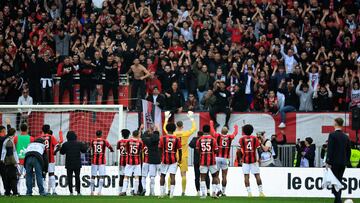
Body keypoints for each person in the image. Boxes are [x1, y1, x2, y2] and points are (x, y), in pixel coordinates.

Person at [163, 110, 196, 196]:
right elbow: (194, 129)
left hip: (173, 156)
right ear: (182, 126)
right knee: (183, 174)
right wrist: (192, 119)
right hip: (183, 156)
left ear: (176, 126)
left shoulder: (173, 134)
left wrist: (166, 119)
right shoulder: (185, 133)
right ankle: (183, 192)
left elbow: (165, 128)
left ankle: (169, 190)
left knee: (171, 174)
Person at [209, 120, 238, 196]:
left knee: (216, 175)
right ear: (227, 132)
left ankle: (215, 191)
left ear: (221, 131)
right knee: (224, 176)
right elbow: (235, 133)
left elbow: (212, 131)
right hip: (225, 159)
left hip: (217, 157)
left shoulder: (218, 135)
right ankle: (223, 192)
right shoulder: (230, 137)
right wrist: (236, 128)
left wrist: (211, 124)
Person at [326, 118, 351, 203]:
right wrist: (347, 161)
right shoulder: (346, 136)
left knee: (334, 182)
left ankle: (339, 200)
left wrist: (328, 161)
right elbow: (348, 151)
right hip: (343, 163)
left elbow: (330, 150)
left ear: (336, 123)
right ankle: (337, 200)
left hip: (334, 162)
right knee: (339, 181)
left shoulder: (332, 135)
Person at [238, 124, 265, 197]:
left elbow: (239, 150)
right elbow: (259, 149)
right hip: (254, 160)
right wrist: (259, 158)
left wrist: (240, 158)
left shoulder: (241, 139)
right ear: (252, 130)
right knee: (257, 176)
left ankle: (249, 193)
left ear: (244, 131)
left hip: (245, 160)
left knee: (246, 176)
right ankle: (261, 192)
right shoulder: (255, 138)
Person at [196, 124, 220, 199]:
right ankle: (213, 192)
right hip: (212, 161)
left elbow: (197, 150)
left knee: (202, 177)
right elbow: (216, 150)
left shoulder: (199, 139)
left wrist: (202, 154)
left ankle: (203, 194)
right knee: (215, 176)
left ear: (203, 130)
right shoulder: (213, 139)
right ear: (209, 130)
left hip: (203, 161)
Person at [60, 131, 88, 195]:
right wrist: (85, 145)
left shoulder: (65, 144)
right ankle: (78, 192)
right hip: (77, 163)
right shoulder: (79, 143)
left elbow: (62, 152)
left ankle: (71, 192)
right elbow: (84, 150)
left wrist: (60, 147)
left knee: (69, 178)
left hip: (69, 163)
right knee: (77, 177)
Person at [158, 123, 182, 199]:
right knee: (172, 176)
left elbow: (160, 148)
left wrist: (161, 157)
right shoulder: (177, 139)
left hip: (164, 159)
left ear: (167, 129)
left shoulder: (162, 138)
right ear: (174, 129)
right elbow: (180, 150)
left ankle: (162, 193)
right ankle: (171, 194)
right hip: (173, 160)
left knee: (162, 176)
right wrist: (180, 159)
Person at [120, 129, 144, 196]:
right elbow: (141, 151)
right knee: (136, 176)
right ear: (138, 135)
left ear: (133, 134)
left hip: (129, 160)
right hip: (137, 161)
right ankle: (136, 192)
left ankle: (124, 191)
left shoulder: (128, 141)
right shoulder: (140, 142)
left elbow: (125, 150)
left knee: (126, 176)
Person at [90, 130, 114, 195]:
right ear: (101, 134)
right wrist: (112, 150)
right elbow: (110, 147)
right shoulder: (104, 141)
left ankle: (92, 192)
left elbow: (90, 149)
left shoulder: (92, 141)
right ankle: (99, 192)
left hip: (94, 161)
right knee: (101, 176)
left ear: (96, 134)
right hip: (102, 161)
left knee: (93, 176)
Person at [13, 124, 34, 194]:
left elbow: (13, 148)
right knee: (28, 176)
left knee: (17, 176)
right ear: (27, 129)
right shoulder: (31, 138)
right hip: (27, 159)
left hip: (18, 160)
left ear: (20, 129)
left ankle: (17, 191)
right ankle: (28, 191)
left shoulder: (16, 138)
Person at [38, 124, 59, 195]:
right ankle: (54, 191)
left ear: (42, 130)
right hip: (50, 159)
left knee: (43, 174)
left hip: (42, 159)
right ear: (49, 129)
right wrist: (54, 152)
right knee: (51, 174)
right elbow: (58, 146)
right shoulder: (51, 137)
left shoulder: (39, 138)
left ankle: (44, 191)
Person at [189, 131, 210, 196]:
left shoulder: (195, 139)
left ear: (197, 134)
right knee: (206, 175)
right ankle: (208, 190)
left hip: (197, 161)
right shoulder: (206, 140)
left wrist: (196, 138)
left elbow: (190, 145)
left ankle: (198, 191)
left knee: (197, 176)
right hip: (205, 160)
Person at [141, 126, 161, 196]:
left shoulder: (145, 142)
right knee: (162, 176)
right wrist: (156, 131)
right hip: (158, 160)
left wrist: (143, 131)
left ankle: (145, 189)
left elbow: (143, 137)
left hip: (148, 160)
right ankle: (161, 191)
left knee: (145, 176)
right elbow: (157, 136)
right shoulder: (157, 141)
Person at [0, 128, 19, 196]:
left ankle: (7, 192)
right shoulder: (9, 141)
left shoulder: (7, 140)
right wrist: (15, 162)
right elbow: (10, 153)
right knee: (12, 177)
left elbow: (4, 151)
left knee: (7, 177)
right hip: (9, 162)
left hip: (5, 161)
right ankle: (14, 192)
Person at [116, 129, 130, 195]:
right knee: (127, 176)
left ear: (122, 135)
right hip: (128, 161)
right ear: (128, 135)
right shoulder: (130, 141)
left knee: (121, 176)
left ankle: (120, 191)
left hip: (121, 160)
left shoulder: (119, 142)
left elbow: (118, 148)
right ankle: (125, 191)